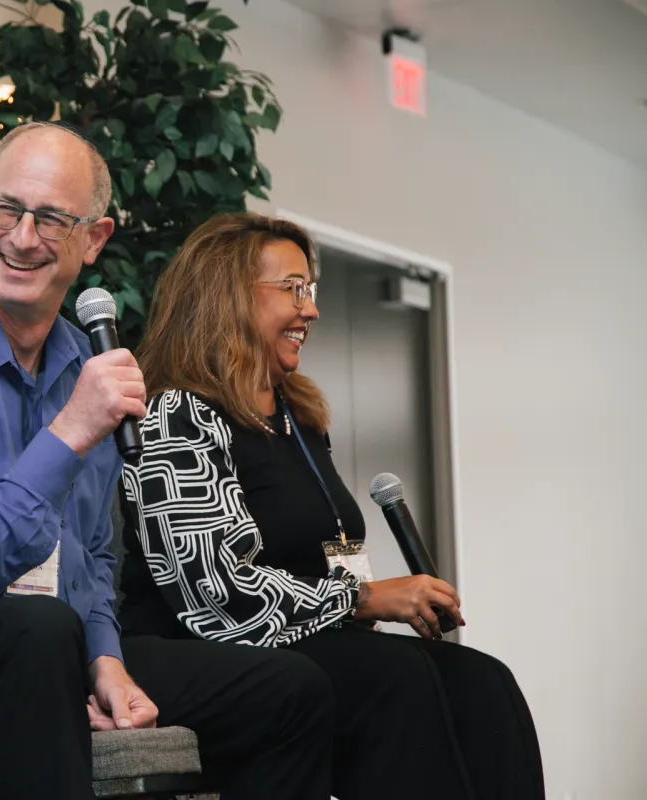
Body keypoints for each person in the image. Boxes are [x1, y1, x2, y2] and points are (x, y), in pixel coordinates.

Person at [0, 121, 338, 800]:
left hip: (42, 648)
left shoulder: (81, 362)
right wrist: (67, 435)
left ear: (94, 239)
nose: (23, 237)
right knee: (36, 631)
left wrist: (106, 662)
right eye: (7, 210)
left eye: (53, 219)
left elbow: (91, 556)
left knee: (289, 693)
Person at [121, 212, 545, 799]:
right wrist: (364, 597)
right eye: (293, 289)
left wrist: (358, 604)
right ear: (228, 297)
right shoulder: (177, 414)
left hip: (308, 636)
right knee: (395, 677)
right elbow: (216, 593)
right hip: (200, 647)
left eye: (311, 290)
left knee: (484, 683)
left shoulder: (300, 420)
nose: (311, 310)